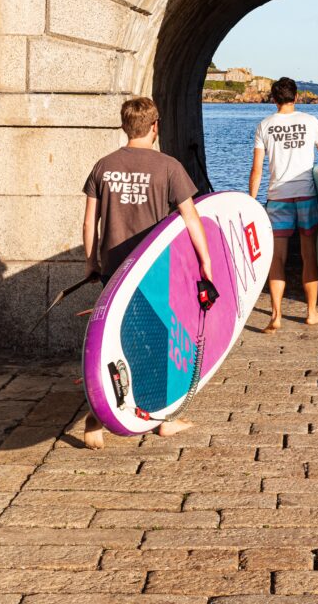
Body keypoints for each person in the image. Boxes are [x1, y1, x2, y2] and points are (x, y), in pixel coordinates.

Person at [81, 96, 213, 450]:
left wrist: (91, 262)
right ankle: (163, 419)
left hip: (113, 269)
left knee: (116, 340)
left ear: (125, 126)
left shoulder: (103, 166)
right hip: (152, 272)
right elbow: (191, 218)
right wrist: (206, 261)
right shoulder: (169, 167)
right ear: (156, 127)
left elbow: (89, 220)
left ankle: (96, 418)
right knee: (158, 344)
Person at [249, 77, 318, 332]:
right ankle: (311, 313)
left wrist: (252, 202)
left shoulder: (264, 126)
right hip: (307, 195)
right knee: (309, 253)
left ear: (273, 99)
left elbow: (257, 170)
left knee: (278, 257)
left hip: (278, 198)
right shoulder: (311, 121)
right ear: (295, 97)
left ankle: (276, 316)